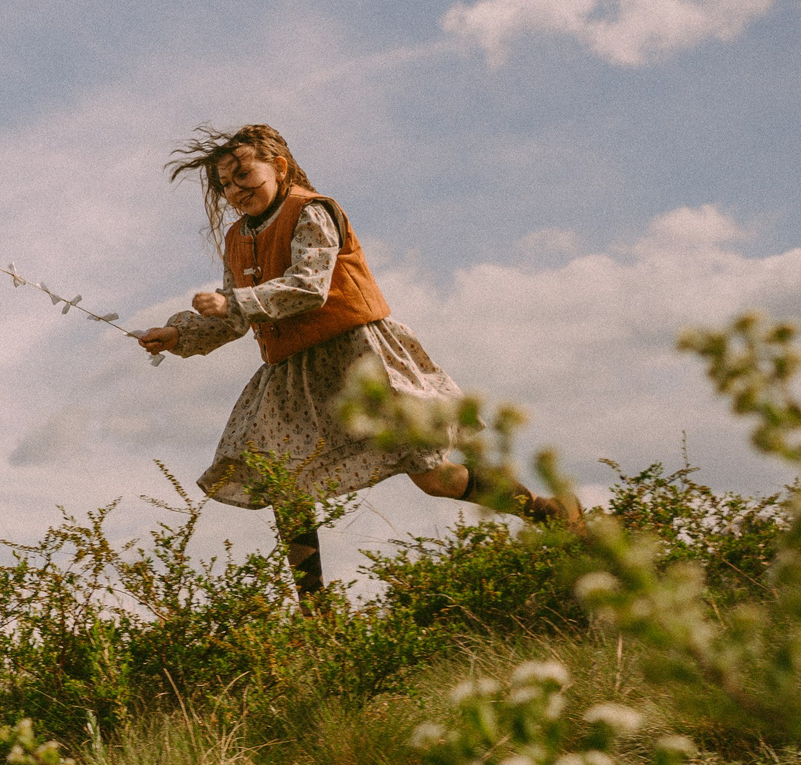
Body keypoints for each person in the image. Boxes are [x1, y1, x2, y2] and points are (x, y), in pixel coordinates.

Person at [133, 123, 573, 596]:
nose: (235, 191)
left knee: (432, 477)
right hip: (292, 373)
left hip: (358, 357)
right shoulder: (237, 238)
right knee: (284, 483)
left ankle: (548, 513)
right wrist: (178, 334)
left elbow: (308, 286)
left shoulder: (312, 210)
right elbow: (233, 318)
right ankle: (316, 611)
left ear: (278, 167)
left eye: (244, 176)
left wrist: (234, 302)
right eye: (225, 184)